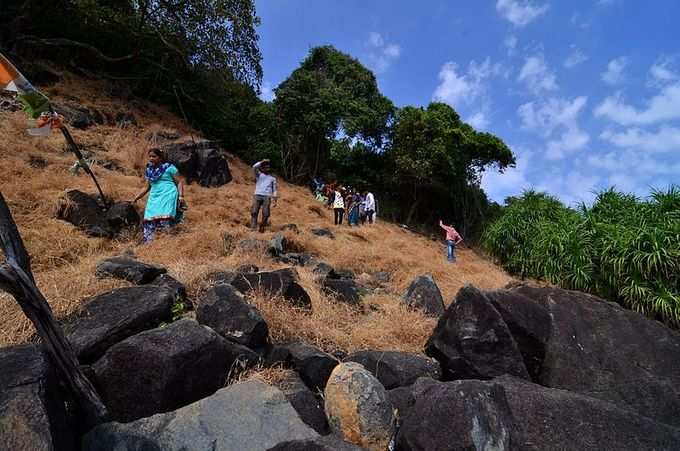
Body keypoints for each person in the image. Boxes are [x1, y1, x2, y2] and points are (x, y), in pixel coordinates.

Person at [132, 148, 184, 243]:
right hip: (154, 197)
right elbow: (146, 187)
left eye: (154, 156)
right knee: (149, 219)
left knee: (165, 218)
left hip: (168, 194)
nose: (151, 158)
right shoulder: (149, 170)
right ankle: (149, 243)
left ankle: (167, 241)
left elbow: (179, 182)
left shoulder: (169, 167)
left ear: (160, 158)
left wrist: (181, 196)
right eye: (150, 156)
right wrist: (136, 198)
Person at [251, 159, 278, 232]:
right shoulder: (259, 175)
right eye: (265, 167)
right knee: (254, 212)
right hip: (257, 195)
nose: (267, 168)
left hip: (267, 196)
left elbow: (275, 189)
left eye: (268, 167)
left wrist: (275, 200)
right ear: (262, 168)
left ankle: (262, 228)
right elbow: (254, 167)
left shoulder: (272, 179)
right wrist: (261, 162)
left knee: (266, 214)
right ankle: (253, 228)